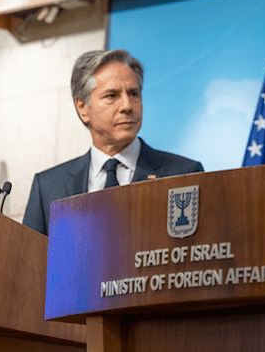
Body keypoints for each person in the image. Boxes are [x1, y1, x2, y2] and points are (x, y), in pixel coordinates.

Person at [23, 49, 204, 235]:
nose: (127, 106)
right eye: (112, 96)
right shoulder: (48, 187)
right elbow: (29, 262)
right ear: (82, 107)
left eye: (134, 94)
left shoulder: (185, 174)